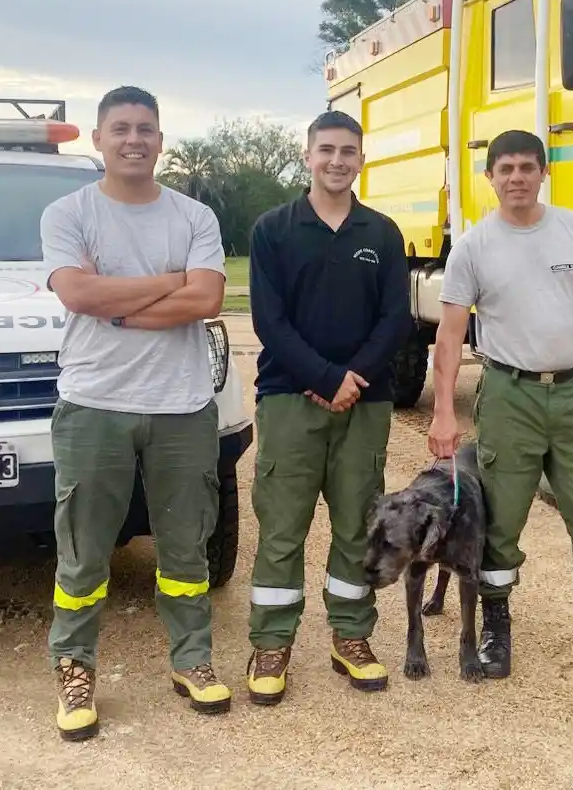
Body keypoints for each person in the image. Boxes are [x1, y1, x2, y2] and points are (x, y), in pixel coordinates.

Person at [426, 129, 573, 689]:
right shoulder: (474, 247)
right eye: (505, 169)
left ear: (544, 172)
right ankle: (497, 630)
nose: (517, 178)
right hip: (510, 396)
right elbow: (451, 336)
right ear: (490, 178)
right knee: (502, 520)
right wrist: (443, 412)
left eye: (528, 167)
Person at [39, 85, 230, 740]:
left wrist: (115, 301)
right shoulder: (68, 213)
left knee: (186, 547)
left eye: (145, 128)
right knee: (84, 553)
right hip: (94, 404)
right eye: (120, 128)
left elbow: (206, 299)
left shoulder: (194, 217)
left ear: (160, 140)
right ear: (98, 139)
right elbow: (75, 291)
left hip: (181, 406)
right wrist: (167, 281)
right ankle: (74, 667)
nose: (133, 139)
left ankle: (193, 660)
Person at [243, 109, 411, 706]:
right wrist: (321, 377)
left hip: (364, 403)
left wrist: (352, 378)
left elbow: (396, 319)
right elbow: (270, 319)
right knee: (282, 530)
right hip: (291, 398)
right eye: (326, 150)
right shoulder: (274, 229)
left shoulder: (382, 233)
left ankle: (351, 636)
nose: (337, 160)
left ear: (362, 159)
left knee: (356, 527)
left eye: (348, 151)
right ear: (307, 155)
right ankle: (270, 644)